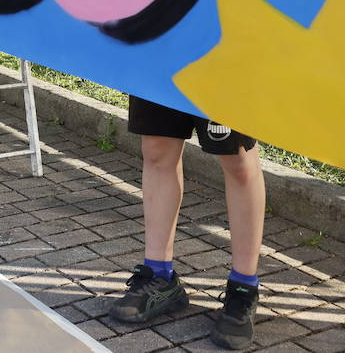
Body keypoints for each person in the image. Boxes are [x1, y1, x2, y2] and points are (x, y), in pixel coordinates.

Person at [108, 97, 266, 349]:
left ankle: (243, 289)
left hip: (223, 61)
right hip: (157, 57)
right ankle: (159, 277)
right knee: (157, 149)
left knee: (238, 159)